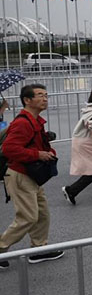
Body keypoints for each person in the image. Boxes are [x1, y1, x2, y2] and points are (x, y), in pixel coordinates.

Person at [0, 84, 62, 269]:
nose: (45, 99)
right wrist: (38, 155)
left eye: (46, 95)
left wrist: (46, 149)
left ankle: (38, 249)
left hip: (29, 175)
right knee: (28, 217)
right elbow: (8, 149)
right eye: (40, 95)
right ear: (27, 100)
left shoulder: (33, 120)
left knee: (42, 214)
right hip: (20, 175)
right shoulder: (22, 123)